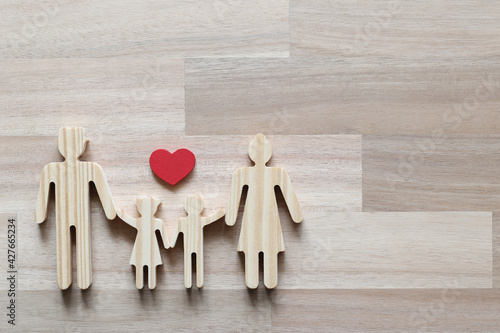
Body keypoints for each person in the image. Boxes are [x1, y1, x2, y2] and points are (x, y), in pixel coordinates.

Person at [36, 127, 116, 290]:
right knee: (72, 244)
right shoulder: (55, 169)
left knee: (73, 244)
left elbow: (42, 201)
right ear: (84, 144)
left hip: (77, 216)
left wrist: (40, 215)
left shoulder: (56, 169)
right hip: (67, 216)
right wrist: (111, 213)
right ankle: (70, 281)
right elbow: (43, 198)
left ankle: (72, 281)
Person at [225, 134, 303, 289]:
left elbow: (232, 207)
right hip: (266, 219)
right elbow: (293, 206)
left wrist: (231, 218)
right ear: (269, 153)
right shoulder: (276, 173)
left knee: (256, 248)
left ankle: (257, 281)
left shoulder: (243, 174)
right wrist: (296, 216)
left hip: (257, 219)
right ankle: (263, 281)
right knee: (266, 248)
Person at [171, 195, 224, 288]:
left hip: (195, 246)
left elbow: (210, 219)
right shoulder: (183, 221)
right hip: (190, 246)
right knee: (191, 262)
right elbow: (176, 233)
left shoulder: (187, 220)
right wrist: (171, 243)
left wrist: (220, 213)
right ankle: (190, 282)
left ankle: (196, 282)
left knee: (193, 261)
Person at [116, 196, 169, 289]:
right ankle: (140, 283)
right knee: (140, 263)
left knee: (150, 264)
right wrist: (122, 215)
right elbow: (130, 220)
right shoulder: (144, 221)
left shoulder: (157, 222)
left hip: (150, 247)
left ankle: (150, 283)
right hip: (142, 247)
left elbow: (164, 236)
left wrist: (167, 244)